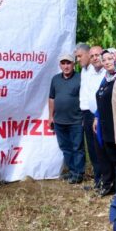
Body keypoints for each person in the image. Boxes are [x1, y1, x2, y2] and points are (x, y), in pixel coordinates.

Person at [93, 49, 116, 196]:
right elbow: (100, 99)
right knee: (111, 158)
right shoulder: (105, 79)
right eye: (104, 59)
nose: (107, 62)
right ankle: (112, 186)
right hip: (105, 124)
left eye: (109, 59)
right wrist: (96, 116)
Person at [49, 54, 85, 184]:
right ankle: (71, 171)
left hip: (76, 120)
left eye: (68, 63)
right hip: (59, 121)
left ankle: (79, 173)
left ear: (73, 64)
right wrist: (50, 116)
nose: (66, 66)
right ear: (60, 65)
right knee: (65, 147)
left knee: (77, 148)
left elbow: (85, 97)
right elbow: (52, 98)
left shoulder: (80, 78)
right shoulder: (55, 79)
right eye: (63, 63)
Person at [78, 44, 107, 190]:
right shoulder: (86, 71)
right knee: (93, 149)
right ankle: (98, 180)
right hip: (88, 114)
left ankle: (105, 181)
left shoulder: (105, 72)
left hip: (101, 115)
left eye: (97, 55)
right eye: (92, 56)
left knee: (101, 149)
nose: (95, 58)